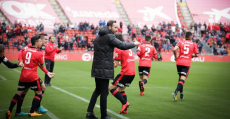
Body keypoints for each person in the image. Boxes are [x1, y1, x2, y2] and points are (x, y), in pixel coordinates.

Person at [86, 20, 140, 119]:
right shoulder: (110, 36)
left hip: (96, 67)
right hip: (104, 68)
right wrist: (134, 43)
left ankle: (90, 112)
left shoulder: (98, 36)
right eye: (115, 27)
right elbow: (123, 46)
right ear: (109, 27)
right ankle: (104, 115)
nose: (117, 29)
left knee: (97, 90)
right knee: (104, 92)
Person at [5, 36, 55, 119]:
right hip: (32, 76)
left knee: (19, 94)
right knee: (39, 93)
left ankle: (10, 111)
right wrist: (48, 72)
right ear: (37, 42)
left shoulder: (25, 49)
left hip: (23, 76)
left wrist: (20, 60)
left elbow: (21, 51)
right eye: (43, 40)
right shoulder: (39, 53)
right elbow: (41, 66)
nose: (45, 41)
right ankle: (32, 111)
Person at [17, 34, 49, 115]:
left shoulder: (41, 48)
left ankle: (37, 106)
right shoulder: (31, 45)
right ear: (40, 40)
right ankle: (21, 111)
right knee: (25, 91)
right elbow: (21, 51)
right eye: (45, 39)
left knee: (42, 87)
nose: (46, 41)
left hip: (32, 73)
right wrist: (20, 60)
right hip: (30, 74)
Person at [108, 34, 135, 114]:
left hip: (125, 72)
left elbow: (115, 65)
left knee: (111, 88)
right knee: (121, 89)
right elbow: (125, 61)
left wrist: (108, 63)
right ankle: (125, 110)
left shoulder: (118, 49)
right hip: (132, 73)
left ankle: (125, 103)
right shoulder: (127, 47)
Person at [172, 32, 199, 102]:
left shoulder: (181, 42)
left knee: (180, 78)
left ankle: (181, 94)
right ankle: (175, 92)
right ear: (191, 37)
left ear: (185, 36)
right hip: (186, 63)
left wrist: (175, 57)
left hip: (179, 62)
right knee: (183, 79)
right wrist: (191, 56)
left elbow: (174, 49)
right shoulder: (193, 44)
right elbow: (197, 55)